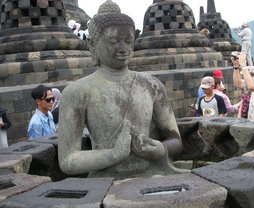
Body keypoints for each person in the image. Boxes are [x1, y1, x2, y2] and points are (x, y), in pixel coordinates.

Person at [58, 1, 183, 179]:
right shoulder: (77, 92)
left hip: (153, 175)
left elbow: (176, 141)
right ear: (92, 45)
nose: (123, 48)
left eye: (128, 41)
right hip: (105, 182)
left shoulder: (152, 85)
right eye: (113, 41)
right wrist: (114, 154)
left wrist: (161, 149)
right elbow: (68, 161)